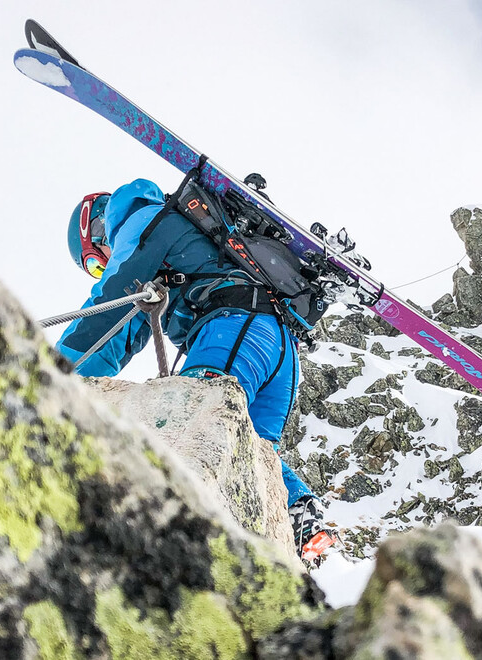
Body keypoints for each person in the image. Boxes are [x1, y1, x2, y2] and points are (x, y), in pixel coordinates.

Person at [55, 177, 337, 562]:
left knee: (190, 422)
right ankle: (300, 515)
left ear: (98, 226)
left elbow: (111, 310)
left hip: (233, 329)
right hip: (280, 349)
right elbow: (132, 323)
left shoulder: (141, 220)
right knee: (248, 453)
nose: (102, 266)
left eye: (94, 260)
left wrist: (56, 374)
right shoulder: (183, 227)